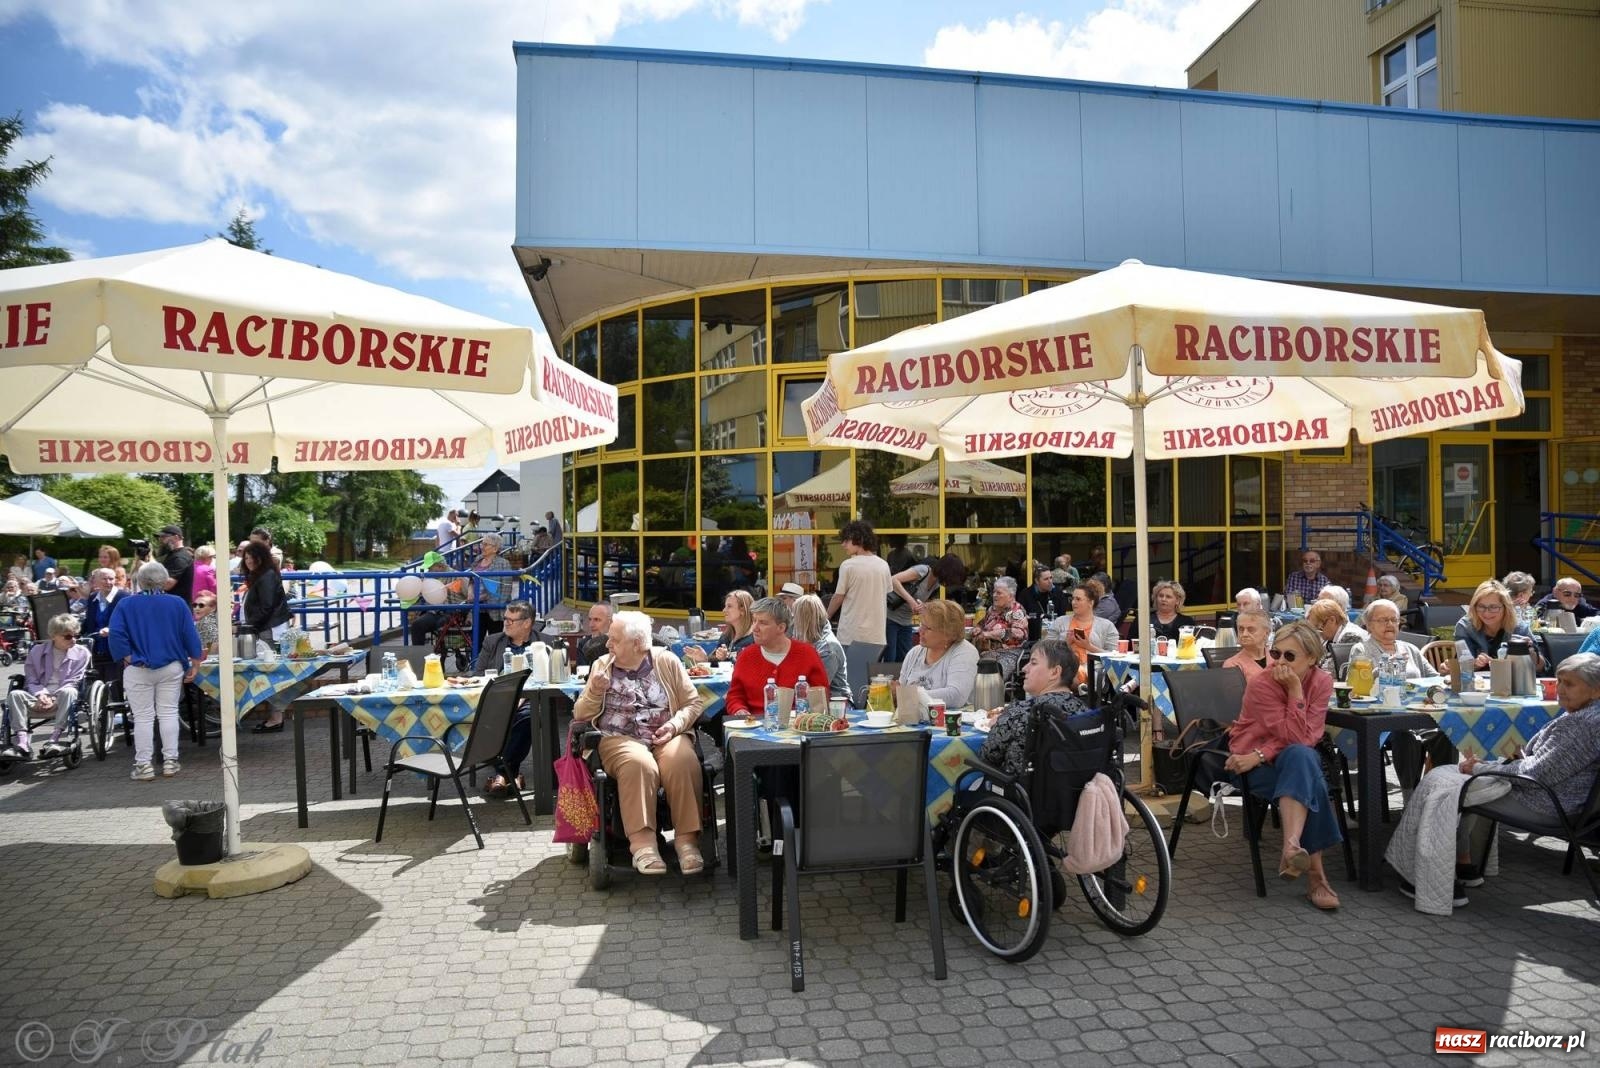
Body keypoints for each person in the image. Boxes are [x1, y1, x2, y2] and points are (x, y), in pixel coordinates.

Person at [1386, 652, 1600, 914]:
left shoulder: (1583, 724)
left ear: (1596, 690)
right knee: (1452, 780)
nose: (1560, 690)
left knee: (1444, 786)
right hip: (1567, 800)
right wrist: (1498, 764)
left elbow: (1537, 775)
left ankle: (1426, 879)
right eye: (1559, 681)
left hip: (1545, 802)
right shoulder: (1589, 716)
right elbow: (1547, 766)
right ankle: (1464, 865)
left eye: (1570, 684)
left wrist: (1481, 767)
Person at [574, 609, 706, 874]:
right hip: (618, 738)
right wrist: (596, 690)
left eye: (615, 639)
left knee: (682, 759)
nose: (608, 644)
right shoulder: (602, 665)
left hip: (665, 734)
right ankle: (643, 845)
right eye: (609, 638)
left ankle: (686, 842)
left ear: (637, 643)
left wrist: (674, 725)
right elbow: (581, 714)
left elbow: (693, 703)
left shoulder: (666, 661)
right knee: (638, 763)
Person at [1222, 620, 1342, 910]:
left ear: (1312, 659)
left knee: (1301, 758)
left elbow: (1305, 737)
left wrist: (1296, 693)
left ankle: (1291, 846)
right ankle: (1316, 876)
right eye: (1275, 653)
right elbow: (1294, 737)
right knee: (1309, 777)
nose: (1279, 662)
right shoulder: (1262, 683)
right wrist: (1260, 756)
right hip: (1250, 766)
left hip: (1279, 760)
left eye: (1290, 656)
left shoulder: (1322, 682)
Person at [110, 561, 202, 781]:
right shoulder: (177, 603)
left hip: (138, 667)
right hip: (171, 665)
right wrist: (196, 661)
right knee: (168, 712)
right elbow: (190, 634)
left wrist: (130, 657)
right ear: (164, 580)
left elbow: (116, 635)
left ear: (139, 581)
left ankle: (144, 765)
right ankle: (171, 761)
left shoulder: (125, 604)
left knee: (142, 717)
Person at [978, 639, 1091, 780]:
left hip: (1020, 794)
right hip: (1073, 796)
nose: (1025, 668)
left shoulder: (1021, 712)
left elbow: (987, 756)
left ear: (1055, 672)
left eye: (1033, 662)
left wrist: (1000, 723)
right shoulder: (1086, 714)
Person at [476, 601, 543, 798]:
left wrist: (521, 698)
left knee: (531, 716)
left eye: (511, 620)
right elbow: (479, 674)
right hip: (496, 701)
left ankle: (502, 773)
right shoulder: (493, 642)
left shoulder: (543, 642)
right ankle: (512, 774)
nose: (506, 623)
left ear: (527, 623)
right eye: (505, 618)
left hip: (529, 701)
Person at [724, 597, 830, 720]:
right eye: (754, 621)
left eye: (763, 623)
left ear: (781, 628)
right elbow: (735, 695)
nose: (755, 628)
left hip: (798, 725)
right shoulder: (746, 656)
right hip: (754, 726)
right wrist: (739, 710)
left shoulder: (807, 654)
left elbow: (821, 695)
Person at [3, 613, 89, 760]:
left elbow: (74, 680)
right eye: (68, 636)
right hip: (37, 696)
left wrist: (54, 697)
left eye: (76, 635)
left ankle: (54, 739)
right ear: (54, 636)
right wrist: (40, 695)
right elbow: (31, 678)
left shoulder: (82, 653)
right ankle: (22, 743)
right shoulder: (37, 651)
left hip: (63, 698)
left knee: (69, 691)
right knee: (15, 694)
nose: (73, 639)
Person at [826, 520, 891, 705]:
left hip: (851, 633)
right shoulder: (883, 565)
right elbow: (887, 592)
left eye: (846, 540)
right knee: (869, 684)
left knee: (849, 684)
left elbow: (838, 597)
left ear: (857, 539)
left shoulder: (849, 566)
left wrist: (825, 617)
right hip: (877, 634)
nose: (843, 545)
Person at [241, 542, 294, 731]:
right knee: (268, 671)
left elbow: (267, 606)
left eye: (251, 558)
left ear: (260, 558)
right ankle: (275, 715)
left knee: (270, 671)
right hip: (264, 628)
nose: (248, 562)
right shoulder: (261, 576)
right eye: (245, 558)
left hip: (268, 630)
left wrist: (248, 626)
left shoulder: (267, 577)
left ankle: (276, 717)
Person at [896, 599, 979, 710]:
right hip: (915, 721)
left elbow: (956, 696)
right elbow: (901, 691)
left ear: (947, 633)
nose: (920, 630)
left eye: (927, 628)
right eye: (921, 624)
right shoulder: (915, 652)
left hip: (954, 723)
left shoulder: (965, 652)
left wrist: (908, 695)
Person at [1050, 584, 1120, 685]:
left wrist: (1089, 646)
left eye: (1078, 599)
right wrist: (1066, 644)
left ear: (1091, 603)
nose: (1073, 602)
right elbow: (1047, 651)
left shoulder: (1107, 626)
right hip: (1061, 665)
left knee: (1070, 674)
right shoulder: (1060, 622)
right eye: (1072, 599)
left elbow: (1114, 656)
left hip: (1091, 668)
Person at [1454, 580, 1528, 670]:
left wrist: (1531, 652)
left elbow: (1542, 666)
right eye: (1481, 606)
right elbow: (1463, 666)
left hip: (1513, 681)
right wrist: (1475, 664)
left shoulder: (1519, 627)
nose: (1487, 613)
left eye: (1493, 607)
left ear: (1505, 607)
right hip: (1478, 682)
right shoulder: (1465, 627)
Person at [791, 594, 850, 704]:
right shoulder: (809, 641)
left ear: (804, 620)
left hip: (835, 703)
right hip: (812, 699)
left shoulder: (828, 649)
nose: (793, 621)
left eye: (795, 617)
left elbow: (818, 687)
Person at [1356, 599, 1430, 677]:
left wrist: (1443, 672)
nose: (1390, 624)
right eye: (1383, 620)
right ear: (1369, 625)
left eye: (1394, 620)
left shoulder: (1411, 649)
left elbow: (1435, 678)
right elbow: (1356, 683)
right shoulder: (1361, 650)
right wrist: (1384, 668)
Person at [883, 546, 931, 664]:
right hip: (890, 617)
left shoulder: (937, 583)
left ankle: (901, 682)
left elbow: (926, 600)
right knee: (890, 657)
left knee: (905, 657)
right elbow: (893, 580)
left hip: (906, 620)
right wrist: (911, 601)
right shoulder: (923, 570)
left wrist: (923, 606)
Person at [410, 551, 467, 648]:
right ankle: (418, 658)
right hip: (434, 612)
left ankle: (439, 653)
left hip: (453, 613)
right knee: (416, 625)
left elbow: (470, 597)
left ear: (440, 566)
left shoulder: (459, 577)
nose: (428, 571)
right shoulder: (428, 579)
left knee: (441, 625)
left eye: (430, 568)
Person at [685, 589, 755, 664]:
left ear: (743, 610)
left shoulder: (755, 639)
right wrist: (705, 659)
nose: (724, 610)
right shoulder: (726, 637)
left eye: (729, 606)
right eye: (725, 606)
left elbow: (749, 668)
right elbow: (716, 665)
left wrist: (727, 658)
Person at [1307, 598, 1367, 669]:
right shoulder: (1332, 636)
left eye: (1318, 627)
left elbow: (1331, 671)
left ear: (1332, 620)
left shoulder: (1350, 637)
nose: (1318, 633)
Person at [1222, 607, 1273, 682]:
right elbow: (1234, 693)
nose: (1244, 634)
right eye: (1241, 629)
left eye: (1251, 630)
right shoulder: (1232, 665)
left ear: (1266, 633)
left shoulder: (1277, 658)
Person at [1017, 567, 1069, 639]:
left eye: (1051, 578)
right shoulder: (1025, 595)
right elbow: (1021, 618)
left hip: (1054, 637)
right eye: (1046, 579)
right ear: (1037, 581)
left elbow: (1062, 616)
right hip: (1033, 638)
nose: (1050, 581)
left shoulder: (1058, 593)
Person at [156, 525, 196, 605]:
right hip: (172, 604)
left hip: (178, 607)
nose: (161, 540)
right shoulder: (172, 555)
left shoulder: (180, 557)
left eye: (164, 537)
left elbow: (167, 584)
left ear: (176, 537)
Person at [577, 602, 614, 668]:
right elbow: (582, 675)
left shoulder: (619, 645)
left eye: (597, 620)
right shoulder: (584, 644)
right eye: (590, 619)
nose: (591, 625)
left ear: (610, 622)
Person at [191, 592, 220, 656]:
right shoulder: (202, 622)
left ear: (213, 608)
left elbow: (214, 645)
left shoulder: (207, 623)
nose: (197, 608)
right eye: (194, 605)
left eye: (201, 605)